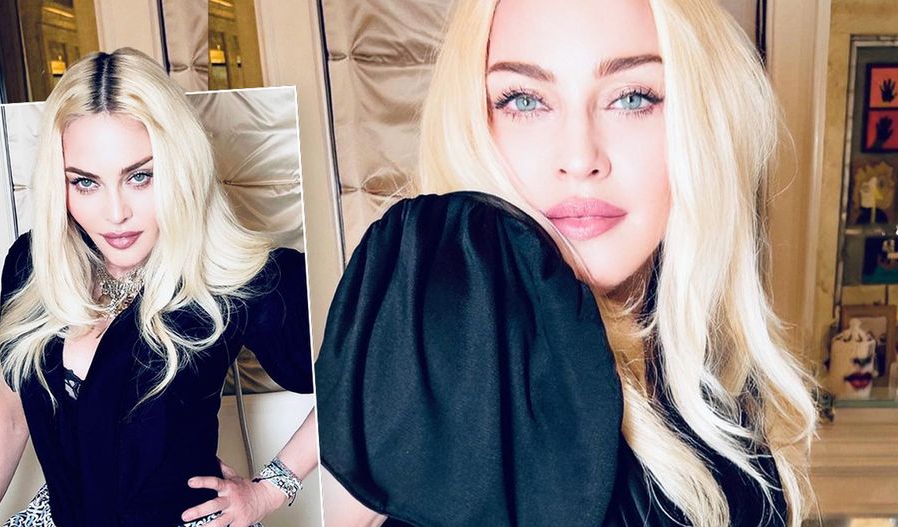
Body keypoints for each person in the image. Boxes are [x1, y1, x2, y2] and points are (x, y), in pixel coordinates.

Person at [315, 0, 817, 525]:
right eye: (525, 101)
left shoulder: (705, 366)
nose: (579, 159)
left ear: (703, 120)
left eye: (632, 97)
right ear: (474, 122)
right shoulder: (449, 338)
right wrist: (278, 482)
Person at [0, 48, 317, 527]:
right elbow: (12, 413)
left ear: (179, 166)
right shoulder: (33, 265)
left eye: (140, 176)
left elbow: (359, 382)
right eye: (85, 183)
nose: (115, 213)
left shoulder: (234, 277)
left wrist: (270, 489)